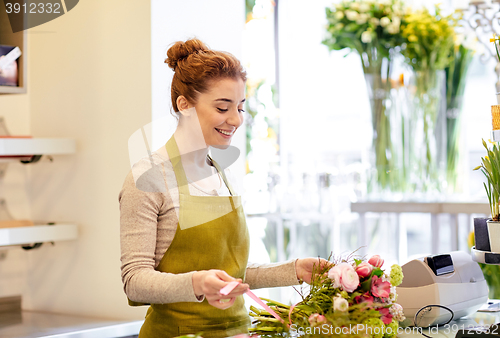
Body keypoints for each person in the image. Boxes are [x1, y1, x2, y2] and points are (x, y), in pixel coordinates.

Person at [119, 38, 327, 338]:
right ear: (185, 105)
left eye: (241, 107)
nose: (235, 119)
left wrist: (295, 270)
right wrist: (198, 284)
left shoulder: (219, 172)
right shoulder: (148, 179)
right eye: (222, 107)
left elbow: (230, 273)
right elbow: (135, 280)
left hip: (237, 332)